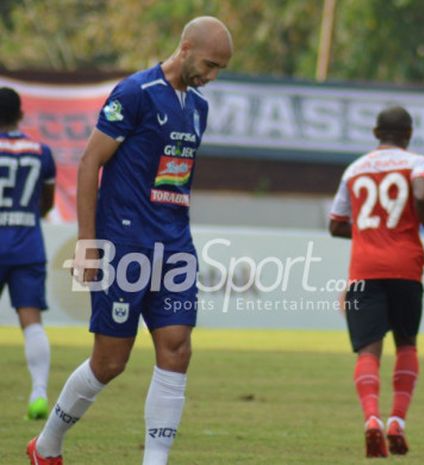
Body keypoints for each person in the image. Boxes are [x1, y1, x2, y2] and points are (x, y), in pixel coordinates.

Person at [27, 16, 233, 465]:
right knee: (110, 362)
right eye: (211, 64)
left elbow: (173, 179)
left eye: (220, 69)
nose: (213, 76)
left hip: (174, 245)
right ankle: (46, 445)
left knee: (177, 348)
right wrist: (87, 244)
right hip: (124, 246)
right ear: (186, 47)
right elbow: (88, 163)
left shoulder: (198, 106)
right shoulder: (134, 93)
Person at [329, 106, 424, 458]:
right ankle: (397, 420)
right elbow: (422, 196)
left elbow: (335, 224)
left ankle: (371, 421)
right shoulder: (417, 163)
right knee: (406, 344)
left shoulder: (354, 169)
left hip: (364, 269)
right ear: (408, 134)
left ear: (375, 132)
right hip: (405, 267)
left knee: (368, 349)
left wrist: (370, 232)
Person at [0, 87, 55, 421]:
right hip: (27, 244)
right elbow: (45, 202)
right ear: (21, 114)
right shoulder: (41, 151)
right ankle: (38, 391)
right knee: (31, 322)